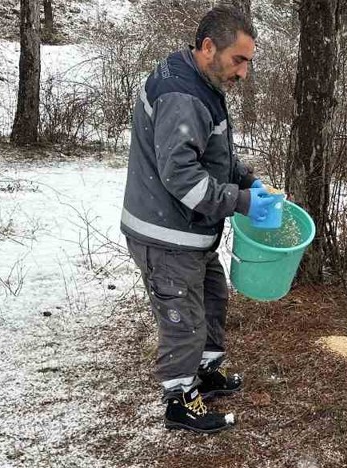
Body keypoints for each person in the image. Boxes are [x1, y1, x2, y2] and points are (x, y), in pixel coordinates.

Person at [120, 5, 282, 433]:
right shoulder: (182, 96)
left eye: (248, 61)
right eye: (239, 60)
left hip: (191, 232)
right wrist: (242, 202)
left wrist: (247, 179)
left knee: (213, 299)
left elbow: (210, 153)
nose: (243, 73)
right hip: (166, 233)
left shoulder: (200, 81)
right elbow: (182, 177)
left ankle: (206, 375)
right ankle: (179, 401)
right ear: (208, 47)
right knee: (184, 319)